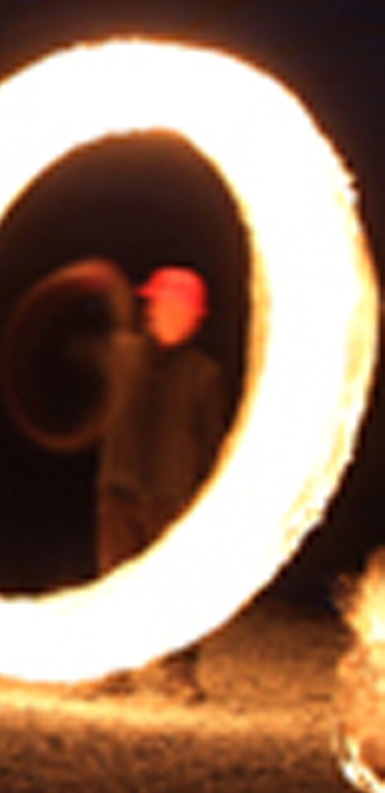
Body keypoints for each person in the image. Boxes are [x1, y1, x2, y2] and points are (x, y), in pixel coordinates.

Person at [85, 265, 229, 702]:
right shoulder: (121, 355)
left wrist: (205, 501)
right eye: (151, 304)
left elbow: (211, 442)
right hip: (120, 490)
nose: (153, 312)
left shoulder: (205, 375)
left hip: (172, 498)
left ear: (190, 316)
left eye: (164, 305)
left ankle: (179, 672)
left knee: (180, 587)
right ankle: (114, 668)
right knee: (116, 582)